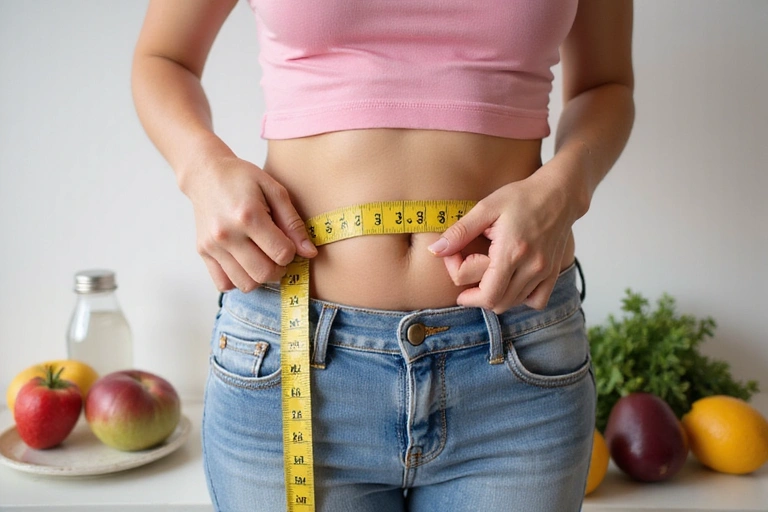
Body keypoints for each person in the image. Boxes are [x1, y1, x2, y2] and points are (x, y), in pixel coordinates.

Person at [132, 1, 634, 510]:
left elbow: (606, 85)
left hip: (516, 359)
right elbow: (164, 57)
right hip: (291, 353)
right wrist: (200, 168)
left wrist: (565, 190)